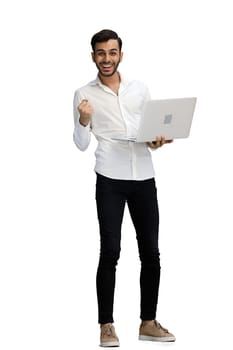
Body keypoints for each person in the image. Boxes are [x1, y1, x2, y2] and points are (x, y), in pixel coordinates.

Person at [73, 29, 175, 347]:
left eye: (112, 52)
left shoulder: (139, 89)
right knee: (111, 252)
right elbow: (79, 144)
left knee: (152, 253)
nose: (107, 59)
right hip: (110, 180)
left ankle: (148, 322)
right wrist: (83, 120)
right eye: (101, 53)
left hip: (144, 177)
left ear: (121, 55)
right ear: (93, 56)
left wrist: (158, 140)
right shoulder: (83, 94)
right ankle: (106, 325)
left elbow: (150, 134)